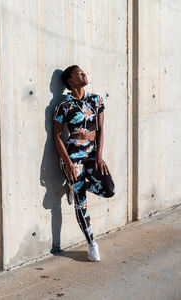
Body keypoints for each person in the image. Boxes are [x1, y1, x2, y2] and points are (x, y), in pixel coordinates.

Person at [53, 65, 115, 261]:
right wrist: (68, 163)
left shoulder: (96, 100)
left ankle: (76, 186)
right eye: (78, 73)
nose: (84, 74)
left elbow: (101, 129)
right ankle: (91, 243)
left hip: (92, 154)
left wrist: (99, 155)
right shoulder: (63, 106)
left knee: (108, 189)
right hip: (73, 155)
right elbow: (56, 136)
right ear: (70, 81)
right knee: (81, 203)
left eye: (84, 72)